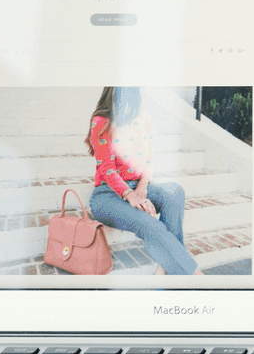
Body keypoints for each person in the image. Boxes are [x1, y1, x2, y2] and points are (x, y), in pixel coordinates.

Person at [82, 86, 196, 275]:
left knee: (174, 191)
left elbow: (149, 160)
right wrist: (129, 194)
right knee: (150, 223)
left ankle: (163, 269)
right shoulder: (102, 121)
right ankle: (193, 276)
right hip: (107, 194)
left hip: (138, 186)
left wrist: (142, 187)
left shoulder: (144, 120)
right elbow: (107, 169)